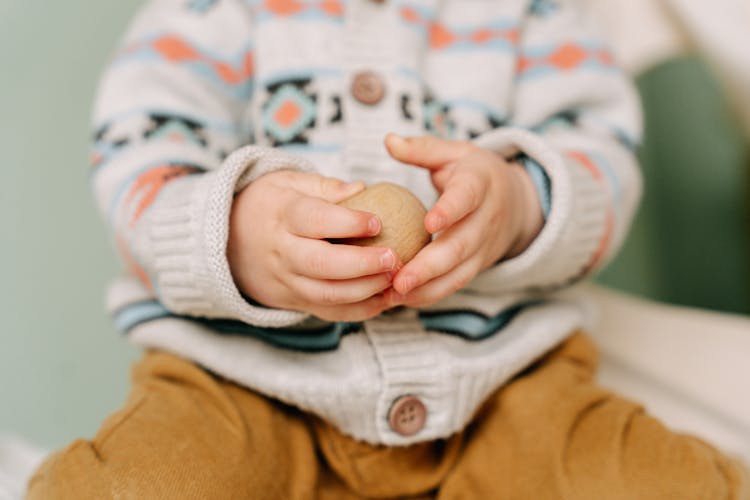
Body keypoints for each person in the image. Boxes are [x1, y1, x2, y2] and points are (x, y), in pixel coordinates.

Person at [27, 0, 749, 498]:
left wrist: (519, 204)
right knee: (140, 485)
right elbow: (139, 164)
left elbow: (604, 161)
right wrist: (239, 234)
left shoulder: (534, 13)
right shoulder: (208, 13)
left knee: (652, 485)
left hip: (506, 382)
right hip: (244, 381)